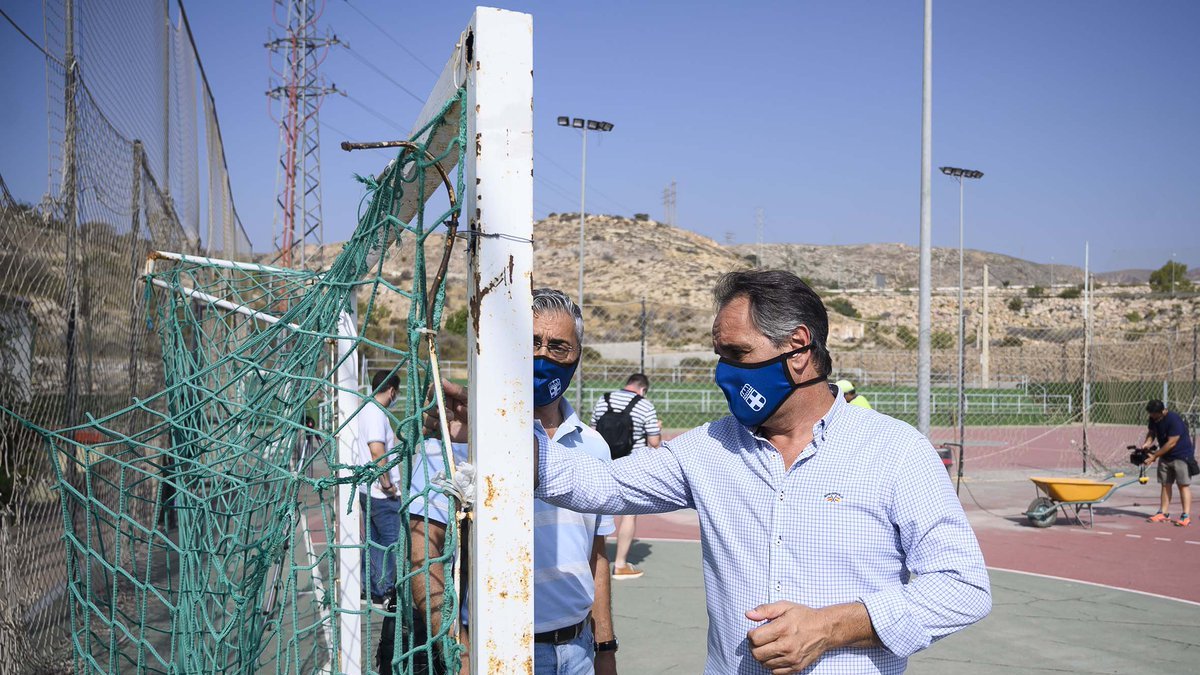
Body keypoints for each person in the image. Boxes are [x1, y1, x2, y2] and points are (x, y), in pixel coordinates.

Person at [484, 270, 988, 674]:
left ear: (798, 348)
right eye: (719, 354)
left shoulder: (895, 451)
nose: (723, 372)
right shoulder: (711, 448)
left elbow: (962, 587)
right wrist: (500, 423)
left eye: (738, 355)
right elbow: (597, 483)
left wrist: (832, 627)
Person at [409, 288, 619, 675]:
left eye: (558, 347)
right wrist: (461, 652)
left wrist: (605, 646)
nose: (542, 356)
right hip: (498, 649)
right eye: (531, 342)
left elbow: (597, 555)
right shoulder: (458, 437)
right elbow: (424, 556)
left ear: (576, 358)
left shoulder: (593, 445)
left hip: (579, 650)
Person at [591, 373, 661, 580]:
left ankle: (591, 559)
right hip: (631, 466)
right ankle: (620, 565)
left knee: (593, 511)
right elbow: (654, 443)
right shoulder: (645, 405)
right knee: (629, 514)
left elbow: (593, 431)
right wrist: (657, 429)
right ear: (643, 389)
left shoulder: (603, 399)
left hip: (603, 463)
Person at [356, 370, 403, 604]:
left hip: (367, 491)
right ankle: (386, 591)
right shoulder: (376, 413)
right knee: (391, 543)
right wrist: (387, 485)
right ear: (392, 391)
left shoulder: (364, 409)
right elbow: (377, 450)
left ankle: (372, 589)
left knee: (373, 542)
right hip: (381, 494)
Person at [1142, 399, 1195, 526]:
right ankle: (1163, 513)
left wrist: (1154, 456)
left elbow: (1171, 443)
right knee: (1165, 484)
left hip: (1181, 456)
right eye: (1150, 414)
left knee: (1183, 485)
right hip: (1165, 456)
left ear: (1162, 412)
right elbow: (1152, 432)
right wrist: (1148, 443)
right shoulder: (1153, 418)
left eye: (1154, 414)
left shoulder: (1173, 419)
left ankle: (1185, 516)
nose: (1152, 417)